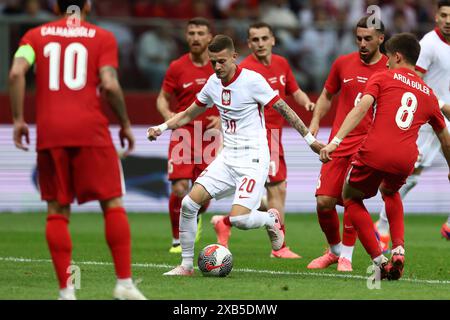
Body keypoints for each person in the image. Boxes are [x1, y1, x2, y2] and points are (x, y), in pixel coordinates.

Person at [147, 35, 324, 276]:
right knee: (189, 203)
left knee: (239, 220)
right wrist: (162, 127)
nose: (217, 67)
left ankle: (270, 219)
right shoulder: (213, 83)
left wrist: (311, 141)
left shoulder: (253, 81)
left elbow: (284, 108)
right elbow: (189, 113)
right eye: (213, 63)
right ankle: (186, 266)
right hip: (227, 158)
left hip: (254, 159)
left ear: (233, 57)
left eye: (221, 61)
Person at [8, 0, 145, 300]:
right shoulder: (102, 37)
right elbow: (109, 84)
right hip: (91, 131)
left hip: (51, 133)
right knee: (112, 204)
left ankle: (66, 292)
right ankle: (124, 284)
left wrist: (18, 119)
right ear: (88, 5)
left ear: (56, 6)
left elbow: (17, 73)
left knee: (57, 211)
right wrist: (123, 122)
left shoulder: (34, 36)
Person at [320, 33, 450, 280]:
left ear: (397, 56)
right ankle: (399, 249)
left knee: (350, 197)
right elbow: (444, 135)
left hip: (375, 151)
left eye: (389, 57)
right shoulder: (428, 93)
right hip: (406, 157)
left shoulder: (382, 76)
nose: (386, 62)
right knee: (391, 193)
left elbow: (361, 108)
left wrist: (335, 141)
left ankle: (380, 261)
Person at [211, 22, 315, 259]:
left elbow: (294, 89)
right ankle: (279, 247)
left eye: (264, 38)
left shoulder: (282, 64)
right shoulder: (245, 68)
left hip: (275, 137)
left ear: (273, 40)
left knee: (275, 192)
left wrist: (306, 101)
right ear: (248, 44)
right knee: (274, 191)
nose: (260, 43)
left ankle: (226, 222)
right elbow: (228, 98)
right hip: (257, 137)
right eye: (255, 40)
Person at [307, 16, 388, 272]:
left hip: (367, 146)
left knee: (351, 199)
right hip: (337, 144)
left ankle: (347, 257)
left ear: (381, 39)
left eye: (368, 39)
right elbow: (327, 95)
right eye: (359, 39)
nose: (362, 44)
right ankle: (334, 251)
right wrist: (316, 120)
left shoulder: (389, 68)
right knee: (324, 202)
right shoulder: (342, 63)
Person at [376, 0, 450, 242]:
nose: (448, 20)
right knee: (410, 175)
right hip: (431, 118)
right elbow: (413, 81)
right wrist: (440, 105)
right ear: (436, 16)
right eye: (444, 15)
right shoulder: (428, 44)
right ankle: (382, 227)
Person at [156, 17, 220, 254]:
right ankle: (177, 239)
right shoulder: (177, 67)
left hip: (212, 137)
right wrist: (168, 115)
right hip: (184, 134)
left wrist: (223, 119)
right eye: (191, 33)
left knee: (205, 192)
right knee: (180, 188)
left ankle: (197, 215)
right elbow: (162, 97)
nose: (195, 37)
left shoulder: (219, 64)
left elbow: (234, 94)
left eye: (200, 33)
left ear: (209, 37)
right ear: (186, 36)